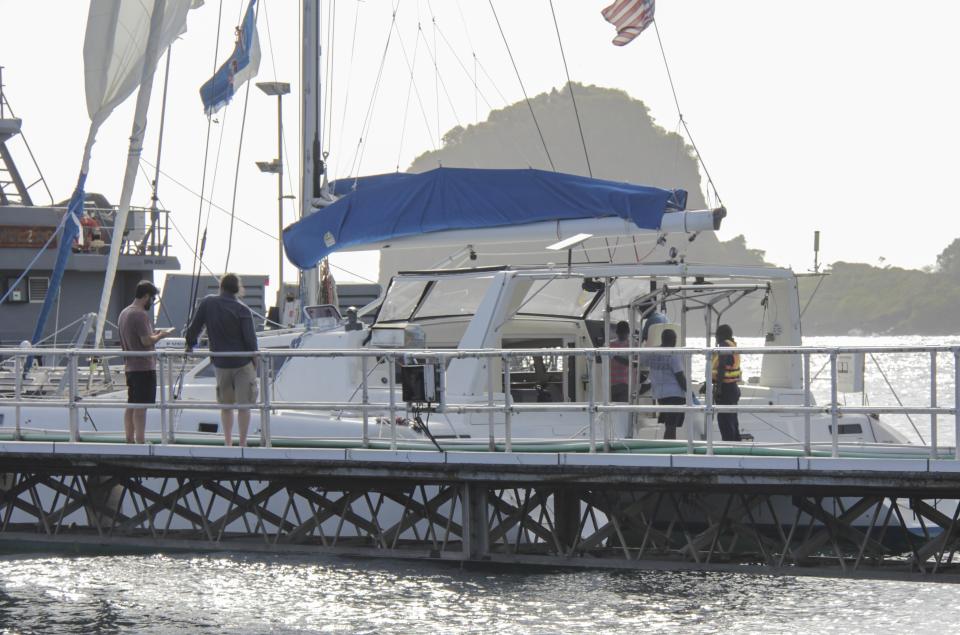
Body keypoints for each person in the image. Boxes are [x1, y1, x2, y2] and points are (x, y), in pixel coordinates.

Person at [185, 273, 259, 447]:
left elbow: (194, 328)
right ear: (238, 289)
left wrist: (190, 344)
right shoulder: (243, 310)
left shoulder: (208, 303)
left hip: (221, 363)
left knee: (226, 406)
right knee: (244, 406)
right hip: (242, 363)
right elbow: (250, 341)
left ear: (221, 286)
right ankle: (242, 443)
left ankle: (227, 442)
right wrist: (254, 361)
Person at [118, 280, 174, 444]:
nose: (152, 303)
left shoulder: (124, 313)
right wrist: (161, 335)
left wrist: (153, 334)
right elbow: (145, 341)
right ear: (147, 296)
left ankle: (129, 439)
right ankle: (140, 441)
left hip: (130, 367)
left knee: (132, 404)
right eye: (152, 299)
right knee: (141, 407)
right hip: (143, 367)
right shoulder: (140, 314)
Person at [647, 329, 687, 439]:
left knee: (668, 424)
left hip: (660, 395)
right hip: (675, 394)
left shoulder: (653, 353)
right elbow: (680, 376)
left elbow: (642, 364)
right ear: (673, 340)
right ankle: (670, 449)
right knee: (671, 425)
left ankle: (668, 446)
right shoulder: (673, 353)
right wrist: (689, 392)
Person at [713, 323, 742, 441]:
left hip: (726, 388)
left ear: (721, 336)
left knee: (725, 421)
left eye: (716, 336)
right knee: (732, 419)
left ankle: (729, 445)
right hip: (733, 388)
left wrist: (718, 388)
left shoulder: (724, 345)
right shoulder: (732, 346)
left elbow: (721, 367)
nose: (716, 339)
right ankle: (735, 444)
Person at [609, 321, 632, 402]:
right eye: (621, 332)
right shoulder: (633, 344)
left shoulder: (608, 345)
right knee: (621, 410)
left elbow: (631, 363)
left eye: (623, 332)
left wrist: (614, 356)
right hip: (614, 384)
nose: (622, 335)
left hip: (622, 384)